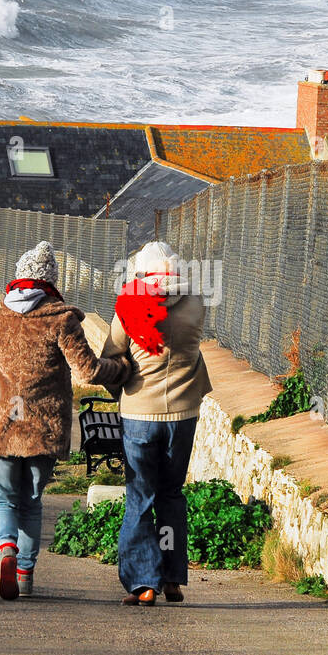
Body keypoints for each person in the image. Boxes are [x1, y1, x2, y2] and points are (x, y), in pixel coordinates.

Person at [0, 241, 129, 600]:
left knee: (2, 501)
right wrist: (122, 369)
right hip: (42, 430)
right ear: (50, 281)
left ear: (19, 277)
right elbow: (89, 371)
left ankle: (5, 550)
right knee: (31, 503)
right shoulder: (61, 318)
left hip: (3, 424)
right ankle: (25, 576)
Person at [101, 241, 212, 606]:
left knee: (140, 498)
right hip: (183, 416)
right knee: (170, 495)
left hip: (140, 414)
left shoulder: (130, 308)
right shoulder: (196, 303)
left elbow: (110, 357)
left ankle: (143, 583)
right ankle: (171, 579)